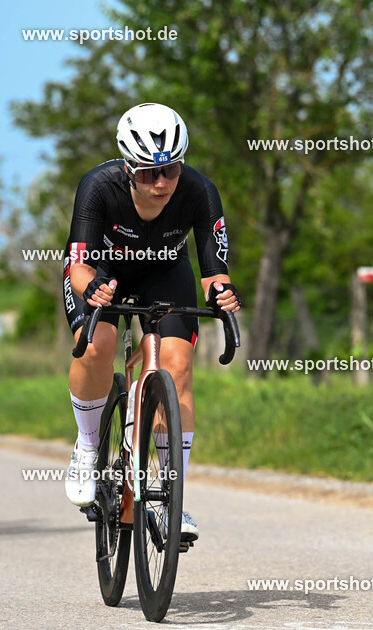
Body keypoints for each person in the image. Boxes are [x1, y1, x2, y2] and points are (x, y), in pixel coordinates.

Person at [60, 102, 240, 541]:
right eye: (146, 173)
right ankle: (86, 448)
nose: (160, 183)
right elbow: (78, 266)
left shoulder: (200, 191)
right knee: (97, 343)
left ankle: (170, 496)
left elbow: (214, 270)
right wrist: (91, 291)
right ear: (127, 167)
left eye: (171, 171)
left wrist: (221, 293)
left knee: (176, 367)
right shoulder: (97, 186)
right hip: (103, 273)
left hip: (166, 272)